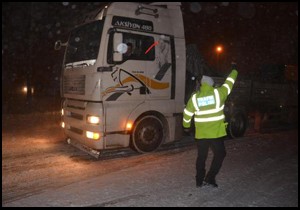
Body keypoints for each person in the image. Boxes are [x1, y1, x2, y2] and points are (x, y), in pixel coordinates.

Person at [183, 64, 238, 188]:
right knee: (220, 154)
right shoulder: (219, 94)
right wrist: (234, 70)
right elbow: (229, 83)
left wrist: (186, 126)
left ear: (202, 85)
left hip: (201, 134)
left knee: (201, 157)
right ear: (212, 84)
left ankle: (199, 180)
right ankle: (210, 178)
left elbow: (187, 113)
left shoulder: (195, 98)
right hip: (215, 134)